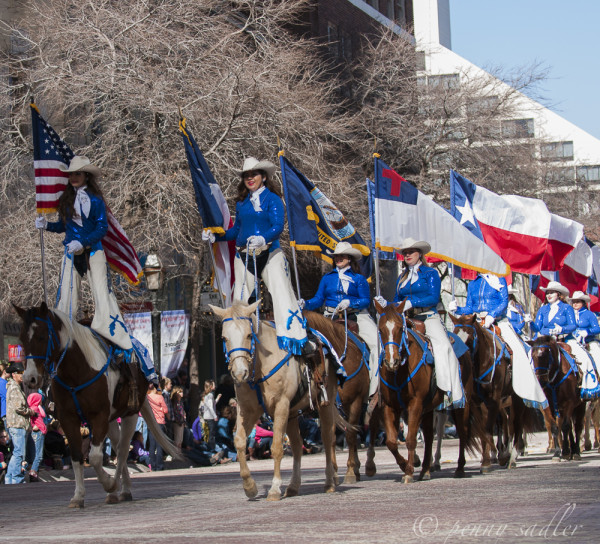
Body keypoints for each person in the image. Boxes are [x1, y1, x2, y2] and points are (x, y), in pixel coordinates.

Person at [202, 157, 307, 355]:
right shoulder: (242, 204)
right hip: (244, 257)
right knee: (238, 304)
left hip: (269, 253)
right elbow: (237, 231)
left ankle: (296, 340)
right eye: (246, 176)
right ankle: (239, 348)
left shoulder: (273, 199)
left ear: (264, 177)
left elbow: (277, 226)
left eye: (254, 175)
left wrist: (263, 238)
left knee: (281, 293)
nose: (250, 178)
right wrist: (216, 236)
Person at [35, 156, 132, 353]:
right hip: (71, 253)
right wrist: (47, 226)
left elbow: (102, 228)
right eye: (71, 174)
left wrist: (84, 242)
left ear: (86, 176)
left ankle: (111, 333)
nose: (73, 177)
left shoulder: (96, 201)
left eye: (77, 174)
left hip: (93, 252)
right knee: (67, 295)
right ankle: (63, 331)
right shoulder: (66, 199)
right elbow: (63, 226)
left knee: (101, 292)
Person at [376, 239, 464, 408]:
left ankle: (448, 391)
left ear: (420, 254)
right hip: (406, 319)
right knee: (387, 343)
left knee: (443, 346)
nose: (407, 255)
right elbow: (397, 300)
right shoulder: (402, 277)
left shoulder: (430, 274)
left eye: (411, 252)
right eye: (405, 253)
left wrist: (412, 302)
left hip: (428, 317)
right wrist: (387, 304)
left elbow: (433, 297)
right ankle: (381, 391)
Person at [450, 273, 549, 410]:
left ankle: (525, 387)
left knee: (518, 349)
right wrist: (458, 309)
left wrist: (492, 315)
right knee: (457, 346)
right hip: (476, 322)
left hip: (498, 321)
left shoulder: (499, 280)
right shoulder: (473, 283)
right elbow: (470, 307)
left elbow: (503, 302)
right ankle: (454, 390)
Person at [299, 241, 379, 398]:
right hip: (330, 317)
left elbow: (365, 300)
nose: (338, 259)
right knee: (310, 344)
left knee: (377, 344)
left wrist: (351, 302)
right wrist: (305, 303)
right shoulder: (327, 278)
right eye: (336, 256)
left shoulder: (359, 279)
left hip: (356, 315)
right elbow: (318, 299)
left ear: (349, 258)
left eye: (342, 256)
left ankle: (374, 388)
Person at [566, 291, 600, 399]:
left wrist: (587, 332)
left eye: (577, 302)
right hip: (573, 341)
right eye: (573, 302)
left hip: (588, 342)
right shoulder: (569, 313)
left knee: (597, 354)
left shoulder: (589, 314)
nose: (575, 304)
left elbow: (597, 328)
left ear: (583, 302)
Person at [4, 362, 32, 484]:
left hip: (17, 425)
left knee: (16, 452)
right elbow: (19, 408)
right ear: (14, 374)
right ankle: (16, 478)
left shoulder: (14, 387)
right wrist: (31, 412)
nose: (22, 375)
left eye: (23, 372)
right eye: (20, 373)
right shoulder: (14, 388)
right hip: (17, 424)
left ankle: (9, 478)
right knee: (19, 453)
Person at [146, 384, 168, 471]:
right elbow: (166, 410)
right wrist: (161, 410)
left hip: (151, 422)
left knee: (152, 445)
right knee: (159, 445)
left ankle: (153, 465)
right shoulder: (159, 397)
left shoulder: (147, 398)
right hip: (160, 422)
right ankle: (159, 465)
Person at [26, 392, 47, 482]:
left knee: (36, 454)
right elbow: (31, 420)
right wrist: (35, 426)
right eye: (40, 400)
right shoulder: (34, 408)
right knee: (38, 456)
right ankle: (33, 473)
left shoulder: (37, 408)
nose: (41, 401)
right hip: (37, 433)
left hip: (39, 432)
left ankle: (34, 473)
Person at [201, 380, 219, 453]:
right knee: (212, 434)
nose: (215, 386)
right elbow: (210, 407)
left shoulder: (208, 395)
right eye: (214, 385)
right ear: (211, 387)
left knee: (210, 433)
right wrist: (215, 416)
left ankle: (211, 448)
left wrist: (217, 398)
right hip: (210, 417)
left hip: (207, 416)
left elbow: (212, 404)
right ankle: (212, 449)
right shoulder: (210, 395)